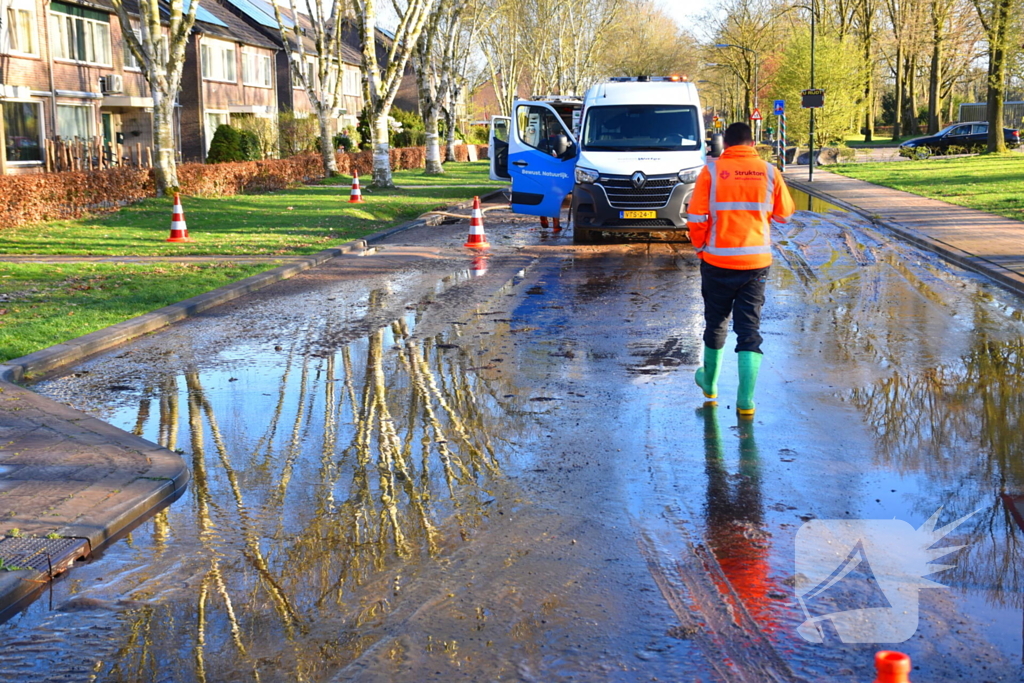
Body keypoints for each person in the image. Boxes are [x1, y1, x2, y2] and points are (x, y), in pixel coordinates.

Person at [686, 122, 795, 415]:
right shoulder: (770, 172)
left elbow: (695, 217)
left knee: (716, 323)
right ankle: (745, 402)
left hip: (717, 261)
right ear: (753, 143)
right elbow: (785, 215)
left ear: (725, 145)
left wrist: (700, 247)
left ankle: (709, 384)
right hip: (756, 264)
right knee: (749, 331)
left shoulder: (710, 172)